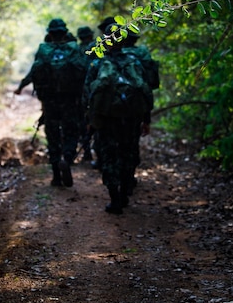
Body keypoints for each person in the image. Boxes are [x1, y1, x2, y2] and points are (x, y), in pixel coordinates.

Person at [84, 17, 158, 214]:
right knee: (129, 152)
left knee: (108, 155)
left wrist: (90, 120)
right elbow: (144, 89)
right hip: (131, 116)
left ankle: (115, 198)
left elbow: (88, 94)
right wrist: (146, 120)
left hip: (106, 117)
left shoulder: (98, 63)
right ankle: (125, 190)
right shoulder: (135, 62)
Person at [14, 18, 85, 187]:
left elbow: (34, 72)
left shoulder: (44, 50)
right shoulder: (73, 49)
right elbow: (84, 73)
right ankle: (67, 159)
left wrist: (21, 86)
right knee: (71, 132)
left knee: (52, 135)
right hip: (70, 100)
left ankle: (56, 175)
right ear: (65, 33)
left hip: (49, 102)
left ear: (50, 34)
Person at [76, 26, 96, 162]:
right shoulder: (98, 47)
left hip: (80, 92)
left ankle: (87, 150)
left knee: (83, 123)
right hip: (97, 90)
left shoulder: (76, 50)